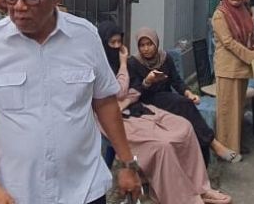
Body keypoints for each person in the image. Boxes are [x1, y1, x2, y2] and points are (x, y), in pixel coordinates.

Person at [0, 0, 141, 204]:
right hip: (15, 192)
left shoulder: (85, 37)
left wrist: (126, 163)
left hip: (82, 189)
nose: (19, 7)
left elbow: (105, 102)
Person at [99, 21, 232, 204]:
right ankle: (182, 197)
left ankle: (202, 188)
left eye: (118, 42)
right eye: (111, 43)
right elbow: (119, 91)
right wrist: (130, 70)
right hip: (114, 116)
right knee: (163, 144)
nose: (116, 47)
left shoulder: (164, 58)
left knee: (185, 128)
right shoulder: (110, 65)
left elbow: (135, 91)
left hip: (137, 107)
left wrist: (132, 96)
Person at [128, 28, 240, 164]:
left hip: (166, 98)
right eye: (142, 45)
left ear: (156, 43)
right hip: (146, 101)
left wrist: (189, 93)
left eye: (149, 44)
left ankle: (203, 165)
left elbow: (176, 81)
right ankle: (214, 144)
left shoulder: (164, 58)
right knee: (183, 104)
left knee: (189, 116)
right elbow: (134, 93)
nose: (146, 49)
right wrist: (147, 81)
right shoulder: (133, 63)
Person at [211, 0, 254, 156]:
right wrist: (251, 55)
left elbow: (250, 33)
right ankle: (225, 149)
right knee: (227, 110)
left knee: (238, 108)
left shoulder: (243, 11)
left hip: (241, 67)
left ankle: (235, 143)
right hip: (228, 68)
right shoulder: (220, 14)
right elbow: (228, 42)